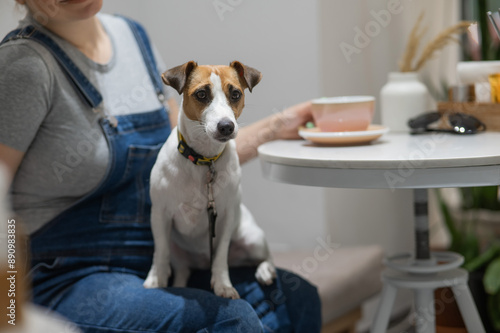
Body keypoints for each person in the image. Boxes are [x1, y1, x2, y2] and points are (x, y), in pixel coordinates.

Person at [0, 0, 321, 332]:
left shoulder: (133, 37)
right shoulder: (22, 65)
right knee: (228, 319)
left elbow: (190, 148)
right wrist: (9, 306)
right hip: (71, 275)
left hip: (158, 254)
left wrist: (279, 125)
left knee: (297, 299)